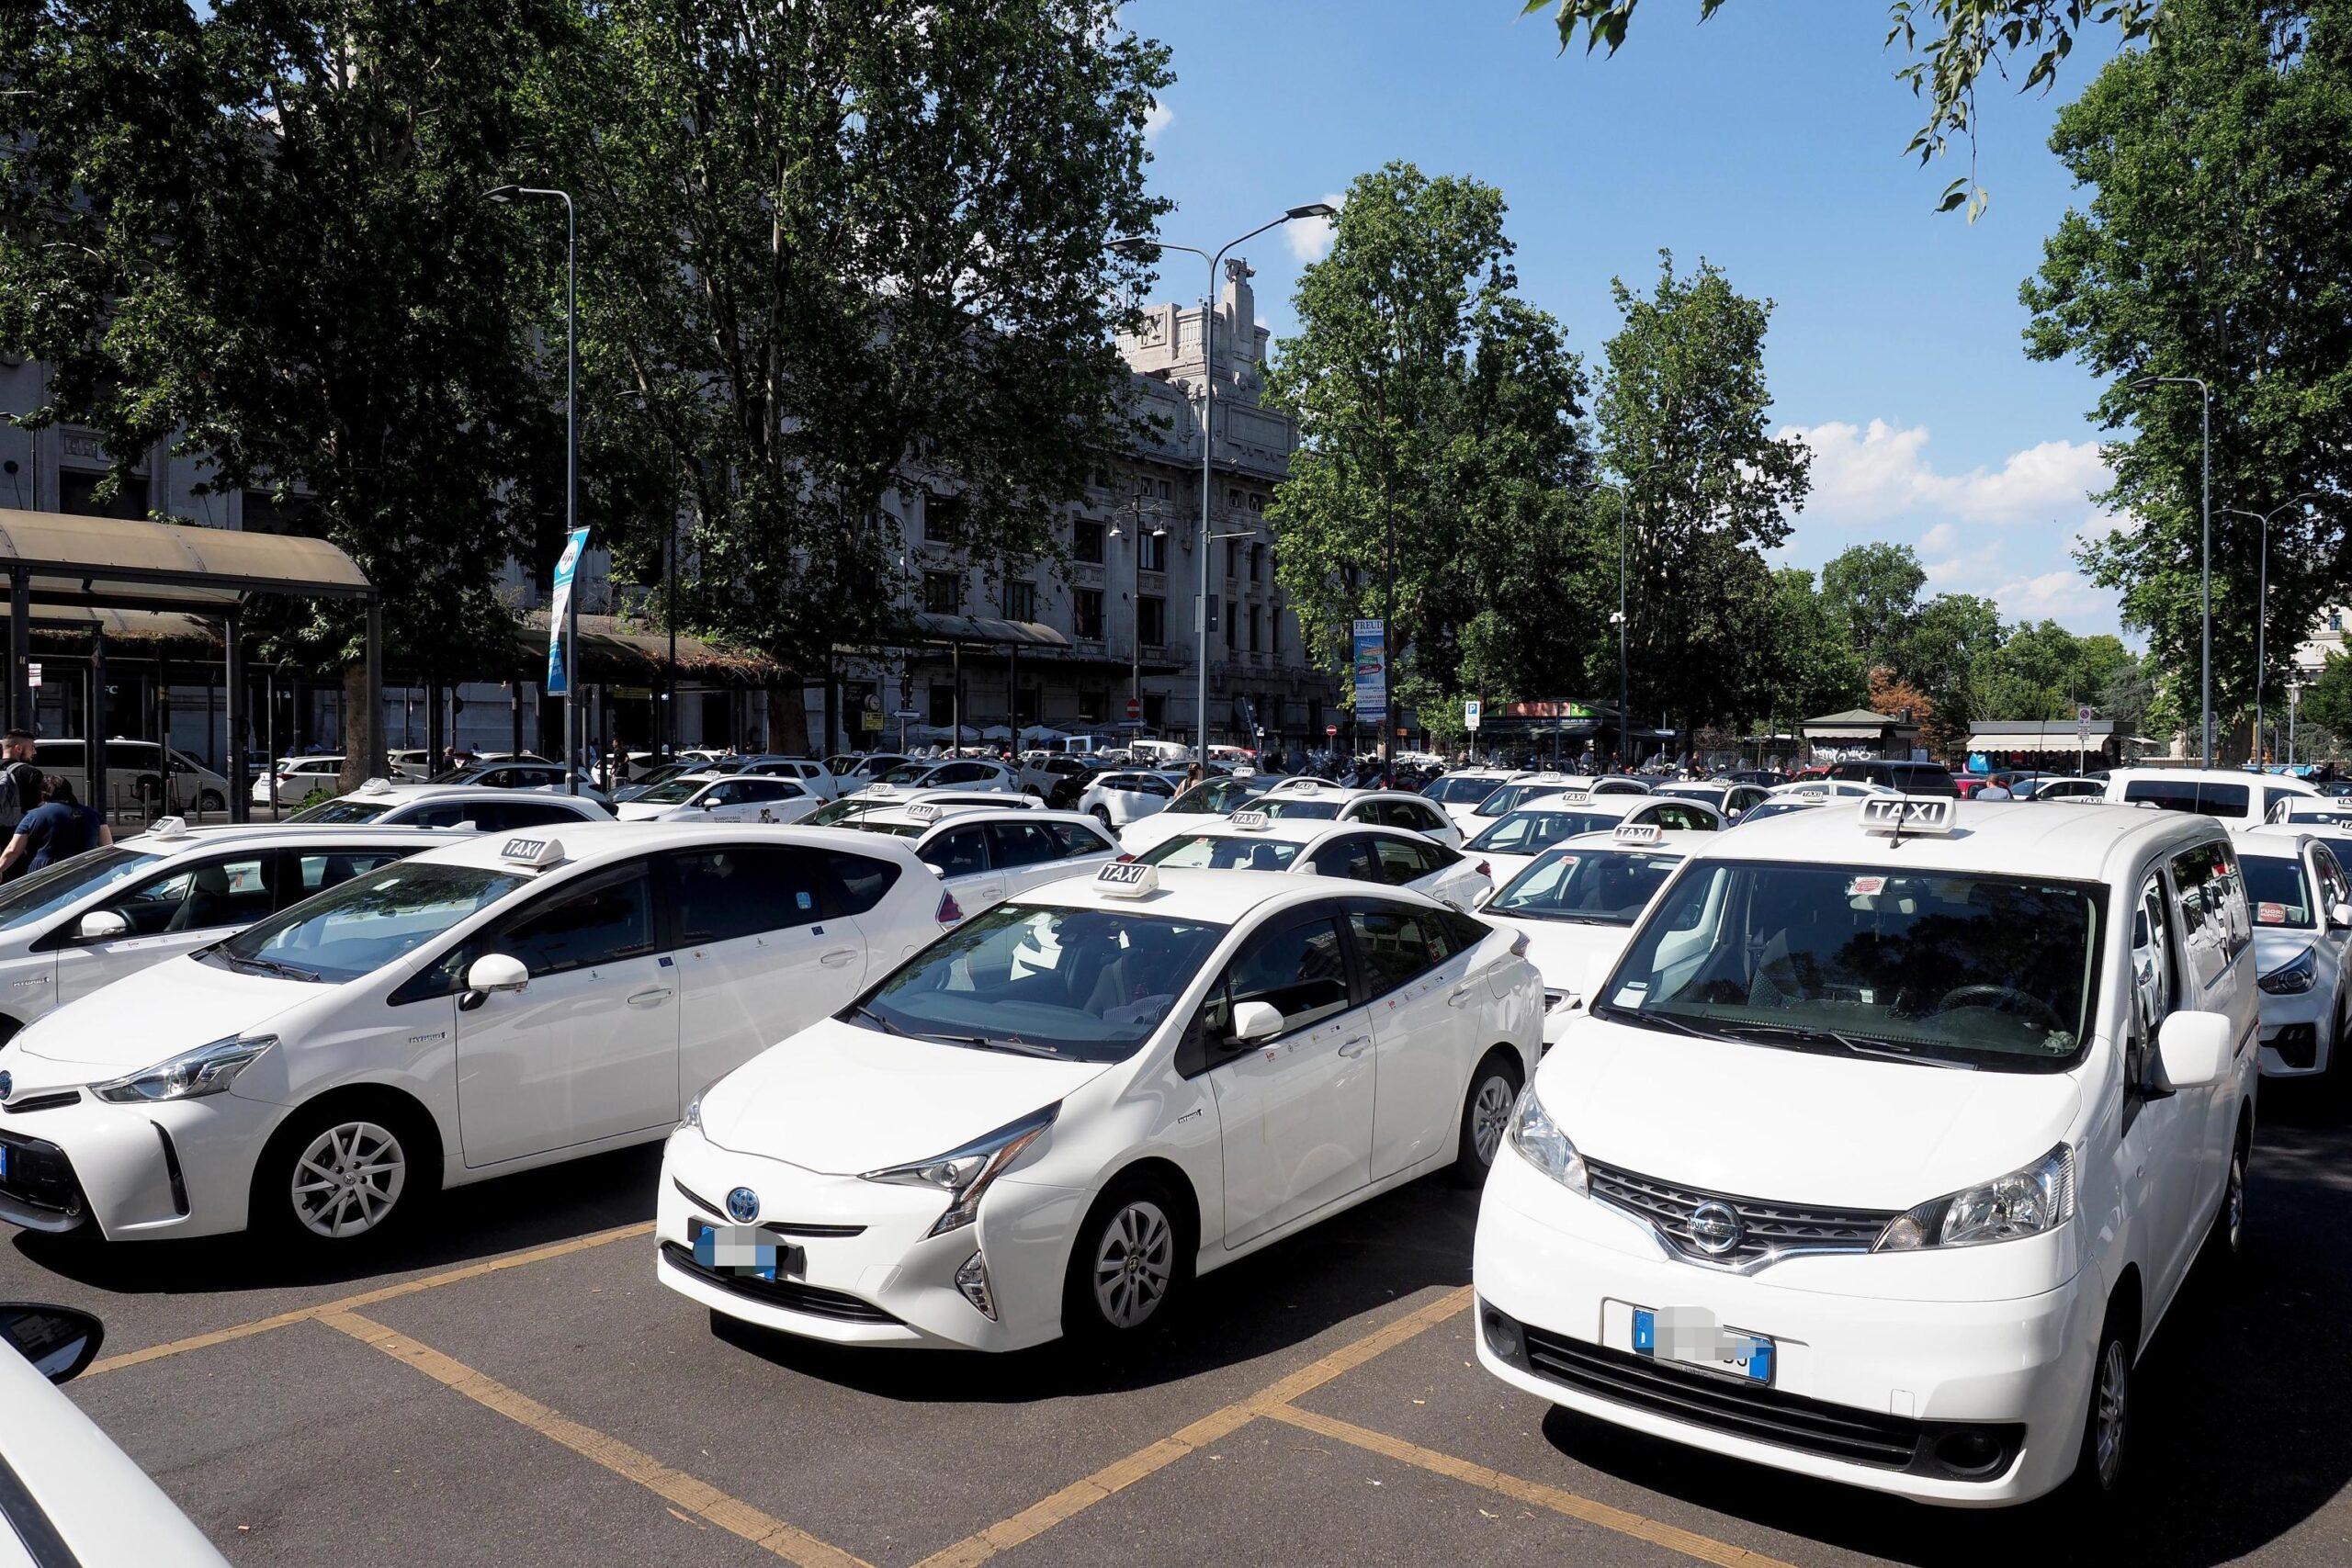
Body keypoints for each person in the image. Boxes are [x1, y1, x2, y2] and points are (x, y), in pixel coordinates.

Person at [0, 775, 108, 878]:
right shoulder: (93, 814)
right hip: (83, 870)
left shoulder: (34, 816)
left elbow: (13, 850)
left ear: (43, 793)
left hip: (44, 872)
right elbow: (108, 846)